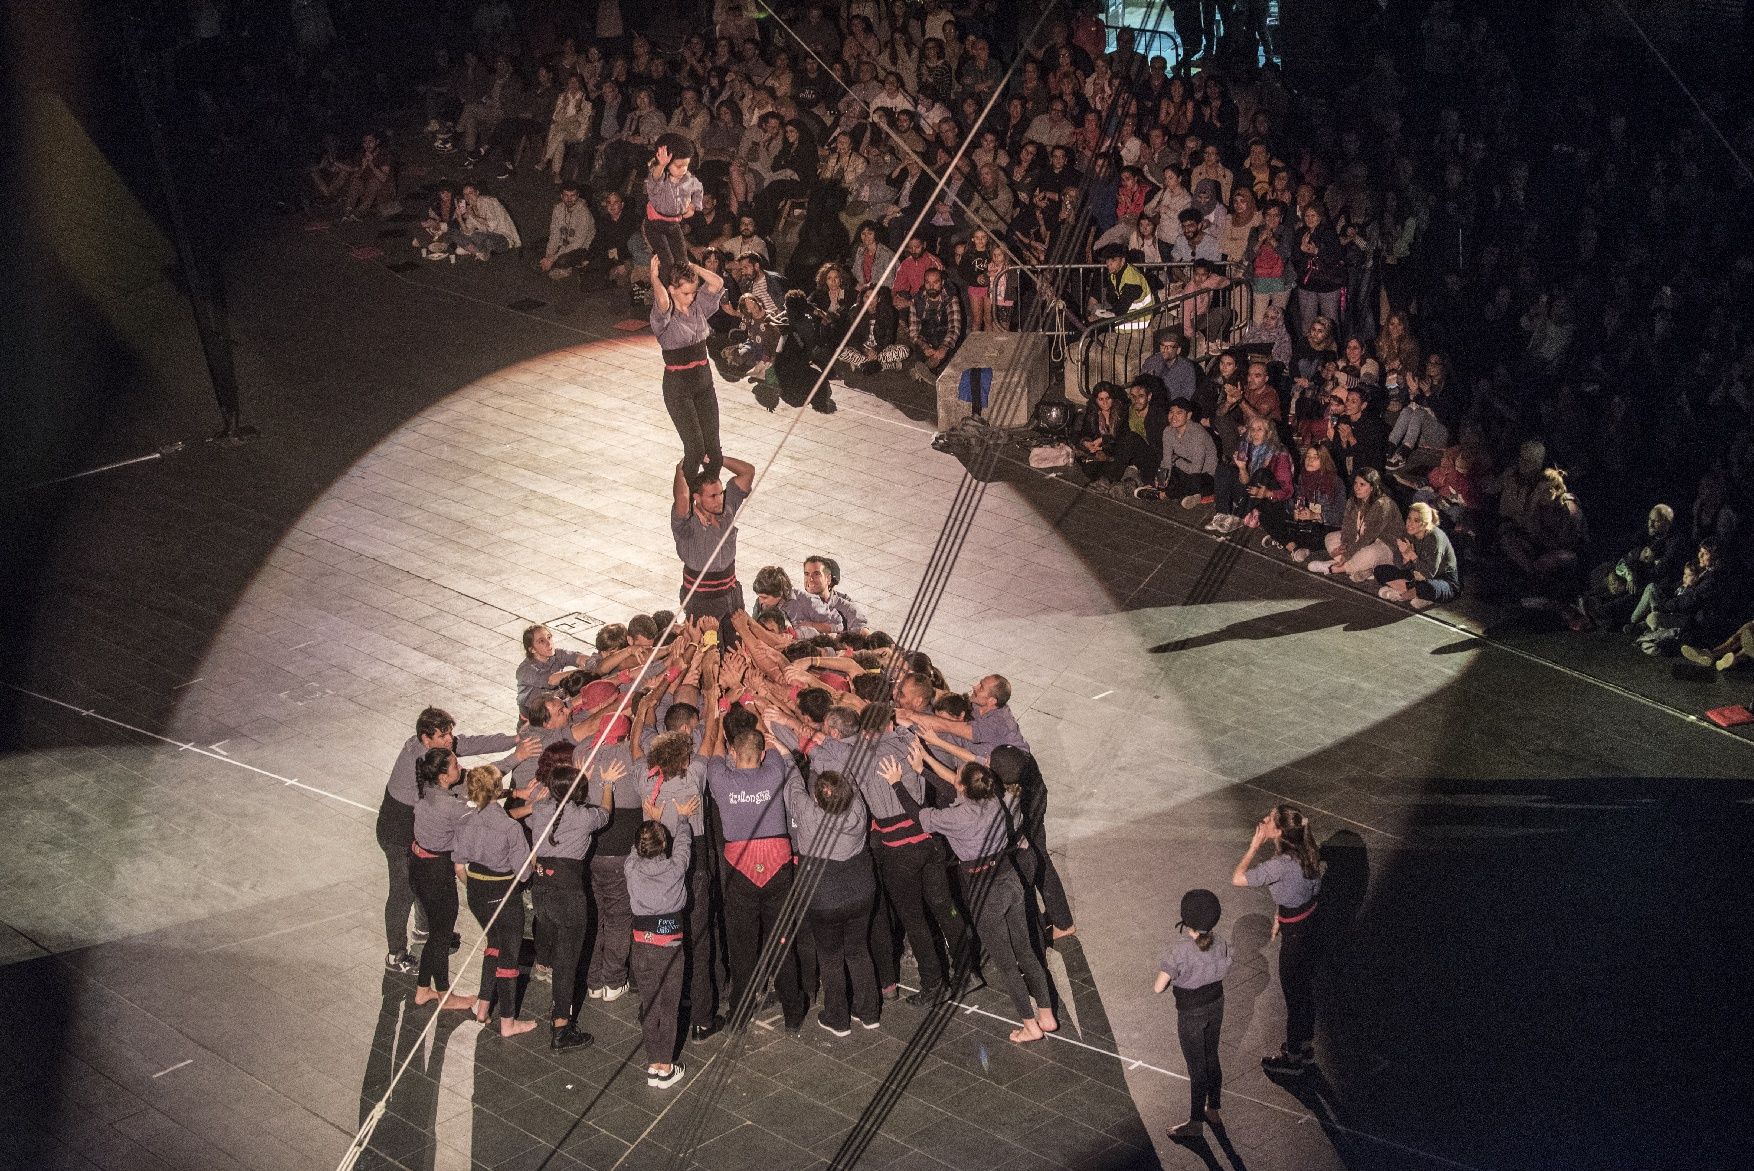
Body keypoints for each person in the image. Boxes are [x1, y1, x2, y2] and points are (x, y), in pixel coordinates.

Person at [889, 747, 1058, 1044]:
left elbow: (919, 816)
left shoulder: (957, 818)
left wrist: (897, 782)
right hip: (1009, 879)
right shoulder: (1000, 801)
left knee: (1006, 963)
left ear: (963, 787)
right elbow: (958, 789)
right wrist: (922, 771)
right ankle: (1047, 1015)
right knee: (1026, 952)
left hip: (982, 888)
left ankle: (1030, 1025)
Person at [378, 708, 535, 974]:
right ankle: (396, 954)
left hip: (415, 824)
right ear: (426, 740)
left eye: (450, 732)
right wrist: (515, 759)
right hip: (399, 829)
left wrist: (513, 740)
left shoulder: (434, 753)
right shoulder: (425, 767)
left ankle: (424, 930)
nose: (450, 739)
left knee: (418, 879)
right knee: (402, 889)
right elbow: (472, 785)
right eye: (443, 735)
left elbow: (471, 743)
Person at [703, 728, 810, 1031]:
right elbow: (772, 741)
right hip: (778, 862)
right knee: (782, 940)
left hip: (740, 866)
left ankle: (739, 1014)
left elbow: (714, 751)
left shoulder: (721, 778)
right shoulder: (774, 772)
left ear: (733, 755)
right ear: (762, 755)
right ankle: (793, 1011)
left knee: (742, 947)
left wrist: (721, 721)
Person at [524, 759, 613, 1050]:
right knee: (568, 962)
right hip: (568, 891)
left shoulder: (540, 809)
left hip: (541, 886)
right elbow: (606, 814)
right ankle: (562, 1026)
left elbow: (530, 816)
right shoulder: (583, 817)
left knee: (546, 930)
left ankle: (542, 962)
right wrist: (608, 784)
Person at [787, 766, 881, 1036]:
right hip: (861, 892)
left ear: (817, 800)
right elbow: (851, 778)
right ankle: (869, 1011)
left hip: (823, 898)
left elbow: (794, 786)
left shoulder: (807, 814)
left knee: (830, 958)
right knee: (858, 950)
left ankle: (838, 1018)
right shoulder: (858, 810)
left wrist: (786, 753)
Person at [1232, 805, 1323, 1075]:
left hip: (1294, 938)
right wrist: (1279, 915)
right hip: (1308, 925)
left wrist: (1253, 846)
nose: (1264, 819)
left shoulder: (1278, 866)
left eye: (1270, 819)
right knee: (1304, 991)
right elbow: (1304, 892)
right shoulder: (1308, 852)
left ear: (1279, 831)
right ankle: (1304, 1047)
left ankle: (1294, 1057)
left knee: (1295, 996)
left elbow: (1238, 878)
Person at [453, 765, 538, 1038]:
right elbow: (524, 873)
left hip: (476, 891)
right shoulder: (510, 828)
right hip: (503, 893)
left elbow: (458, 868)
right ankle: (508, 1021)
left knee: (493, 944)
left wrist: (477, 887)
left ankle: (483, 1006)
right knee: (509, 957)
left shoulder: (465, 820)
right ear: (498, 790)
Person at [626, 791, 699, 1087]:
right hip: (669, 947)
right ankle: (665, 1066)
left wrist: (649, 819)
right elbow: (684, 845)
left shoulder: (630, 868)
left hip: (640, 945)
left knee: (649, 1003)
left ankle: (652, 1061)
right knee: (669, 1007)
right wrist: (682, 817)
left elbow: (636, 849)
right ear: (663, 845)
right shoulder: (674, 868)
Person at [1154, 889, 1231, 1138]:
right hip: (1216, 1004)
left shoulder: (1179, 951)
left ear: (1186, 917)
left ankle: (1195, 1123)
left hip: (1190, 1013)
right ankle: (1213, 1109)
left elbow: (1158, 987)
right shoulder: (1220, 942)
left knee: (1196, 1068)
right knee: (1212, 1056)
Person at [407, 748, 476, 1011]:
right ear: (444, 775)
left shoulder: (427, 790)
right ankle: (446, 995)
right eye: (456, 765)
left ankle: (424, 990)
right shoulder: (451, 807)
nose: (460, 768)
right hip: (437, 873)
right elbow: (483, 820)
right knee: (441, 935)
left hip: (418, 866)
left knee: (437, 933)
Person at [650, 256, 728, 486]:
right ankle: (686, 501)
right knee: (695, 449)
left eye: (693, 292)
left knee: (714, 452)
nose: (691, 297)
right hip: (678, 387)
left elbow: (717, 284)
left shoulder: (698, 307)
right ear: (672, 289)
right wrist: (655, 279)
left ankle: (710, 497)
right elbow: (663, 301)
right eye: (685, 293)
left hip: (704, 382)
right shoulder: (664, 315)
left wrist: (691, 267)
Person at [670, 454, 755, 619]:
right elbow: (682, 497)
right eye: (712, 496)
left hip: (732, 596)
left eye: (720, 493)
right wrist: (680, 471)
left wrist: (717, 459)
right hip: (701, 602)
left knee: (736, 644)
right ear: (697, 498)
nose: (719, 500)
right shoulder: (687, 523)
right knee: (707, 645)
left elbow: (748, 472)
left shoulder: (726, 508)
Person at [1374, 502, 1461, 610]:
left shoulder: (1435, 538)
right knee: (1380, 570)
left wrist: (1412, 556)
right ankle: (1413, 593)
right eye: (1409, 519)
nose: (1410, 523)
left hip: (1442, 581)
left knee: (1426, 587)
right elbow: (1399, 564)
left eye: (1416, 521)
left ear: (1425, 524)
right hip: (1415, 578)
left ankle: (1405, 594)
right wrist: (1405, 558)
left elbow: (1429, 573)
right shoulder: (1408, 532)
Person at [646, 136, 705, 286]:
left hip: (673, 224)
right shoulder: (661, 180)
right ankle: (668, 292)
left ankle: (684, 289)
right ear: (667, 165)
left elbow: (698, 189)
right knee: (667, 261)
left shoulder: (688, 179)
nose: (683, 170)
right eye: (678, 166)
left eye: (686, 165)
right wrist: (660, 165)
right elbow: (654, 181)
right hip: (655, 224)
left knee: (682, 261)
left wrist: (693, 206)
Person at [784, 556, 868, 634]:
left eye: (816, 574)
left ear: (828, 579)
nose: (810, 579)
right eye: (807, 574)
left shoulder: (845, 608)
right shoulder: (795, 602)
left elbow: (864, 633)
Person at [539, 185, 596, 280]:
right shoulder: (558, 209)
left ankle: (568, 268)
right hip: (564, 242)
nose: (569, 199)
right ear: (561, 196)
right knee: (538, 246)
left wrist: (553, 258)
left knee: (562, 260)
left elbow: (578, 243)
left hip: (582, 247)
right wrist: (549, 255)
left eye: (572, 195)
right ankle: (553, 263)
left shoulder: (584, 213)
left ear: (577, 196)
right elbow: (554, 234)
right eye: (566, 195)